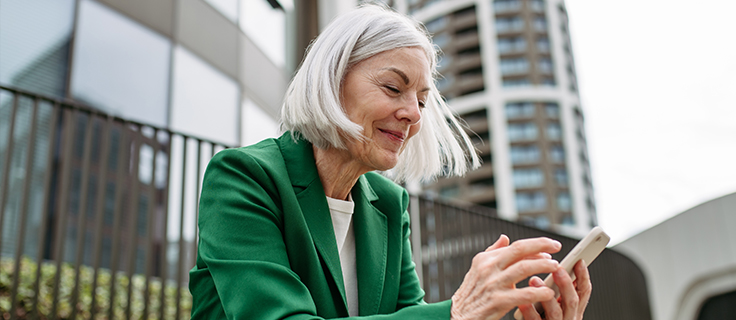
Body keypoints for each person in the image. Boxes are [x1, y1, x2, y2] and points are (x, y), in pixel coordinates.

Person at [189, 4, 592, 320]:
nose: (415, 114)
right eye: (393, 87)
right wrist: (456, 313)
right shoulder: (243, 177)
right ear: (332, 78)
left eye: (420, 100)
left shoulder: (387, 203)